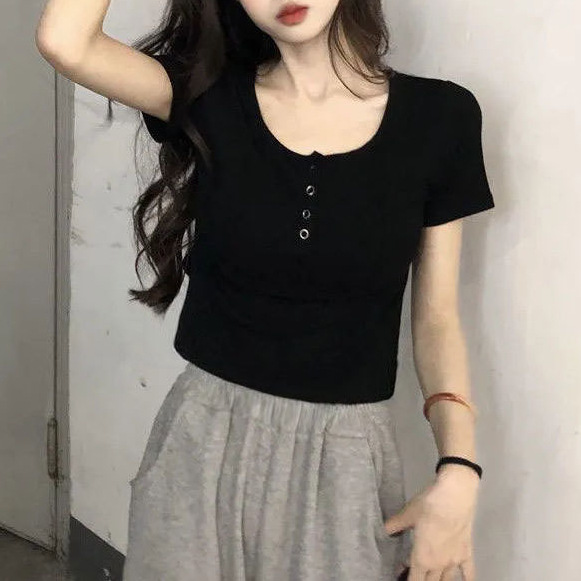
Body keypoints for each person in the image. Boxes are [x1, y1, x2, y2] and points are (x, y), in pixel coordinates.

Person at [36, 0, 494, 579]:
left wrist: (459, 468)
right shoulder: (208, 96)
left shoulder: (441, 117)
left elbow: (436, 319)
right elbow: (66, 42)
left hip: (345, 458)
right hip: (200, 442)